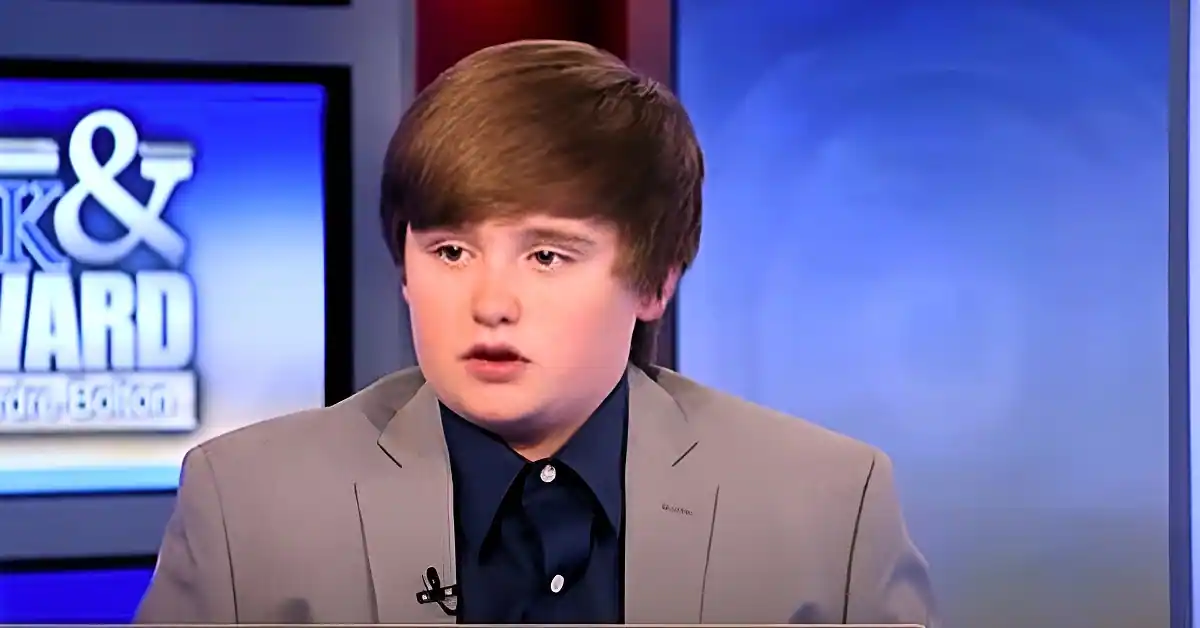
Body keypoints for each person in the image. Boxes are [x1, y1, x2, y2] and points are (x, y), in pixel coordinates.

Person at [136, 39, 937, 626]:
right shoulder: (248, 505)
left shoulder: (828, 508)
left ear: (655, 281)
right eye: (451, 252)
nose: (491, 303)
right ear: (404, 268)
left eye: (547, 256)